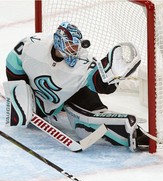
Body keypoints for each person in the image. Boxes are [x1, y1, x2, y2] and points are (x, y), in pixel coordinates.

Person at [3, 21, 148, 152]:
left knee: (85, 126)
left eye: (76, 45)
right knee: (34, 114)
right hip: (43, 99)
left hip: (74, 90)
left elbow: (99, 84)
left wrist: (113, 77)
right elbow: (13, 60)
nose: (74, 50)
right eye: (70, 45)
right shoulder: (34, 45)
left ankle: (133, 133)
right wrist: (19, 90)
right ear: (58, 41)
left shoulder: (83, 61)